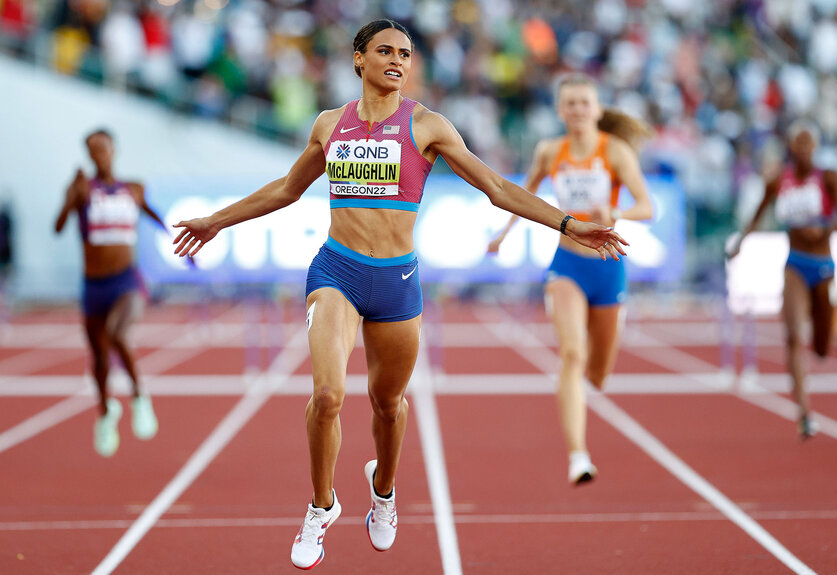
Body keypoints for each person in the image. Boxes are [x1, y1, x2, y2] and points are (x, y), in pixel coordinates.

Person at [172, 20, 628, 570]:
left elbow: (497, 187)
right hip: (336, 271)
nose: (397, 61)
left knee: (388, 405)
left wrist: (568, 223)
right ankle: (321, 505)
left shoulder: (427, 126)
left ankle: (383, 493)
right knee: (328, 396)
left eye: (406, 54)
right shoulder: (329, 125)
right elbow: (288, 190)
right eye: (385, 51)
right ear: (358, 58)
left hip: (396, 281)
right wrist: (217, 222)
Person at [488, 74, 653, 485]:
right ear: (561, 111)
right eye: (571, 103)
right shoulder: (550, 151)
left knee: (597, 374)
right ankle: (578, 456)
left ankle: (593, 374)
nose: (578, 110)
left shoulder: (615, 151)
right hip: (566, 266)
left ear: (597, 110)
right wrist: (504, 233)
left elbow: (647, 206)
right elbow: (521, 195)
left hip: (609, 265)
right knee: (572, 355)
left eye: (585, 103)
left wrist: (617, 215)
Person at [728, 122, 837, 438]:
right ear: (790, 148)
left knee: (823, 348)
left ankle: (817, 354)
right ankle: (804, 413)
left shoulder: (828, 177)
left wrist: (825, 229)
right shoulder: (778, 180)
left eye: (807, 143)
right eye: (796, 144)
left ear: (815, 147)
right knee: (794, 336)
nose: (802, 149)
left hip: (824, 266)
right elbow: (757, 214)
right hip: (795, 265)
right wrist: (741, 242)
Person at [54, 129, 163, 457]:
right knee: (99, 358)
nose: (98, 156)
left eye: (103, 149)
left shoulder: (134, 189)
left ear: (114, 150)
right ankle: (104, 411)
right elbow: (59, 226)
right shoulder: (82, 189)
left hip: (125, 282)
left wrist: (182, 241)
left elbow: (157, 216)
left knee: (118, 334)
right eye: (92, 150)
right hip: (93, 286)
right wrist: (72, 197)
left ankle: (139, 396)